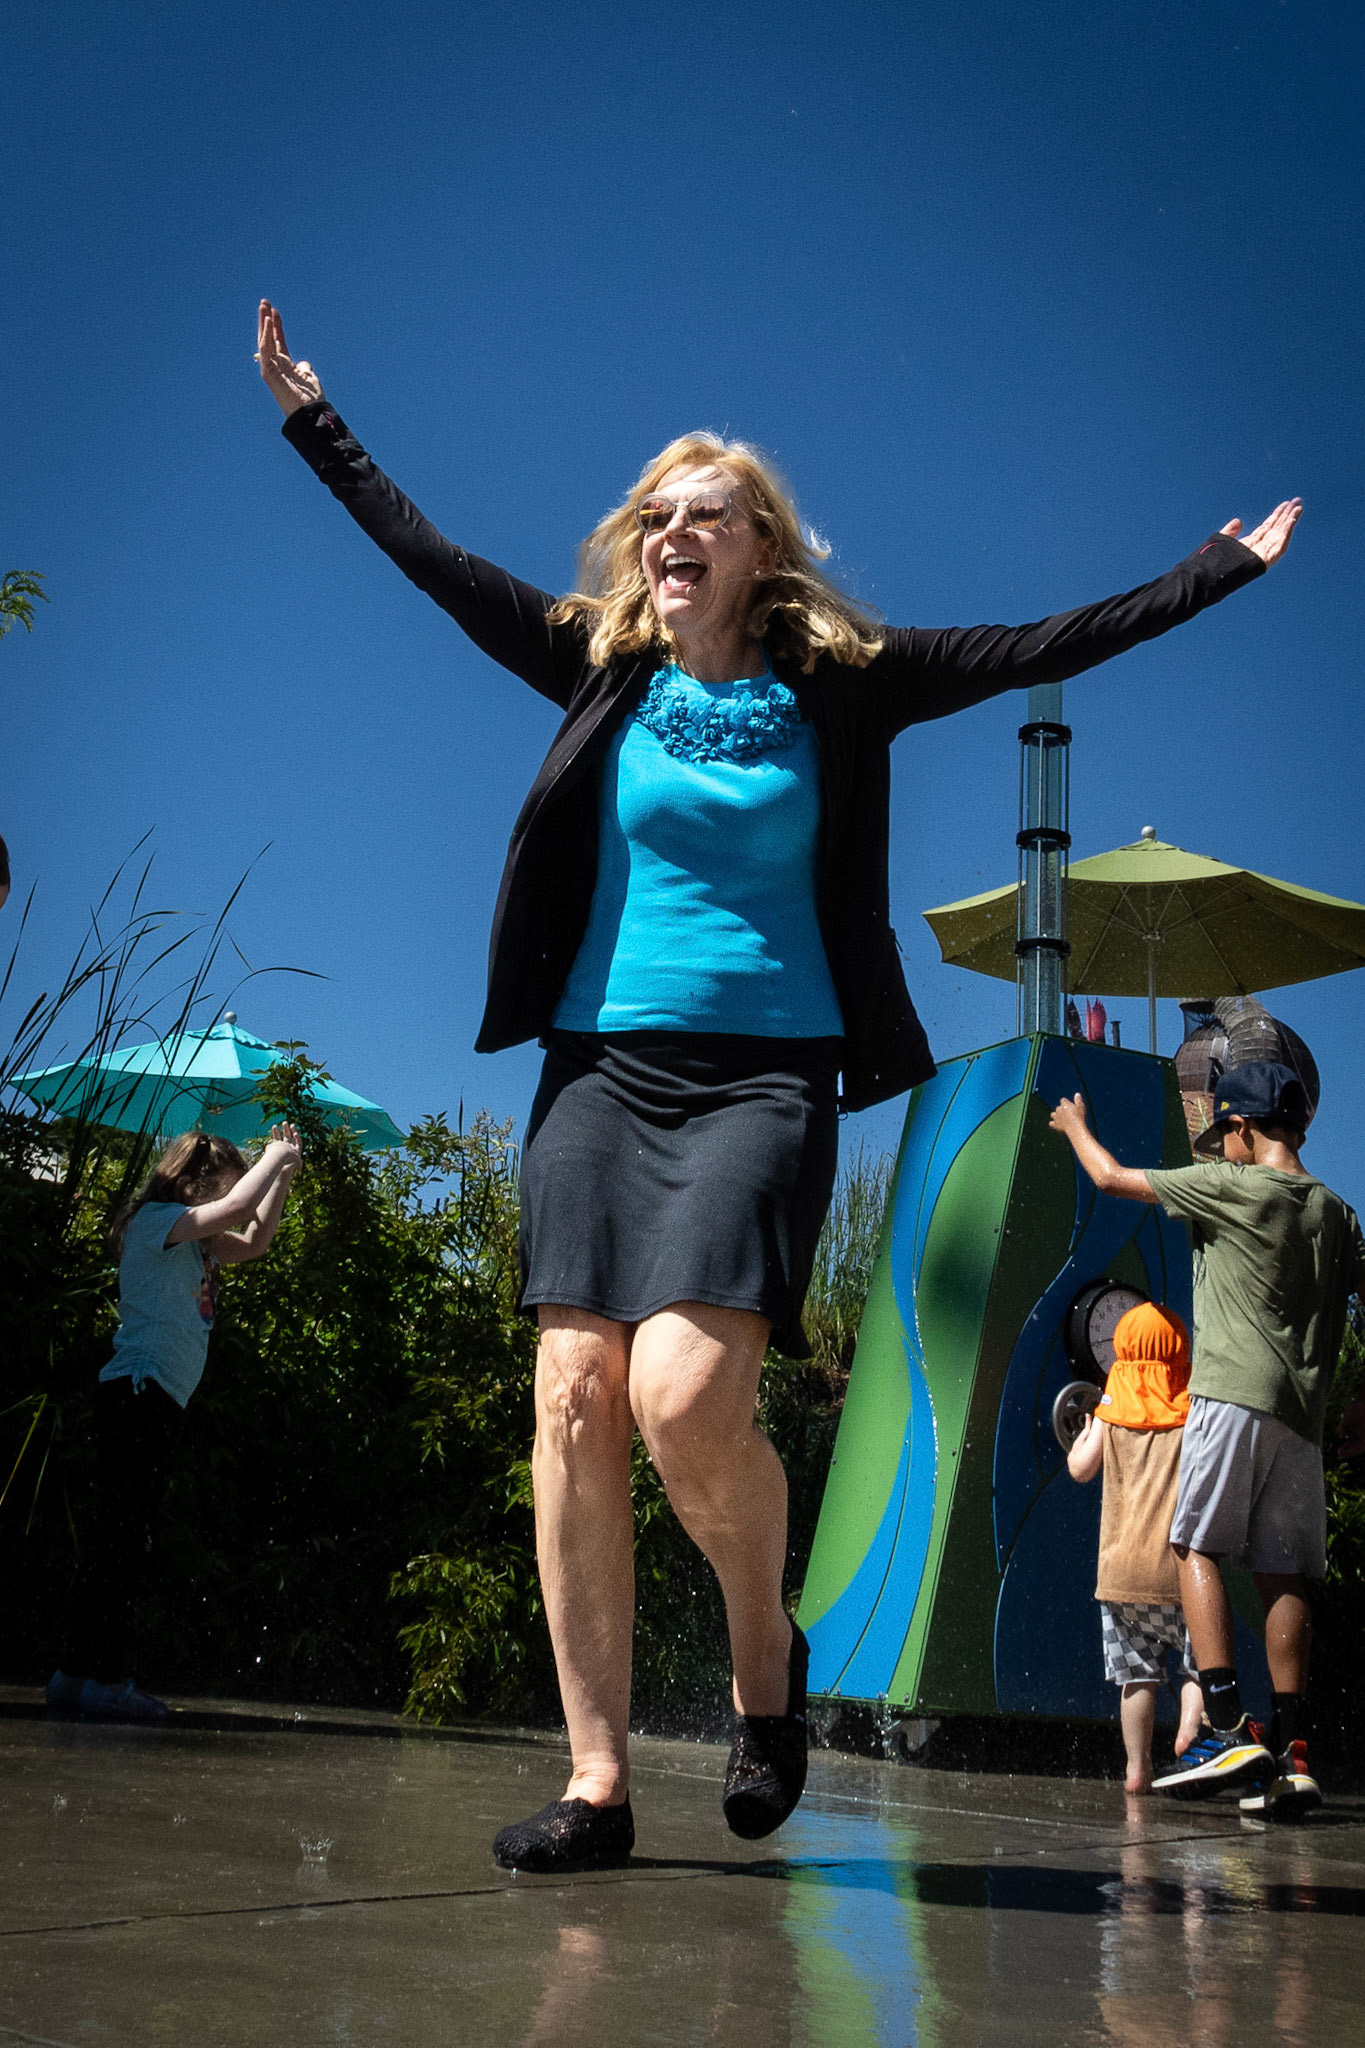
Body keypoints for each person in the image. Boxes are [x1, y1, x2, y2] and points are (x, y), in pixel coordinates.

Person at [257, 296, 1300, 1871]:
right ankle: (597, 1779)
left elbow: (1036, 646)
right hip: (597, 1071)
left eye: (708, 515)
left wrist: (1211, 573)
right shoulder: (595, 665)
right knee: (574, 1397)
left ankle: (768, 1674)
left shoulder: (845, 680)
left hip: (760, 1084)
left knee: (684, 1396)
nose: (676, 533)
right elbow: (432, 559)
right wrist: (317, 424)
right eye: (657, 515)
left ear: (763, 548)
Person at [1051, 1064, 1365, 1814]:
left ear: (1245, 1130)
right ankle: (1292, 1754)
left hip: (1228, 1397)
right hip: (1302, 1414)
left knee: (1193, 1546)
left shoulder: (1234, 1186)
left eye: (1222, 1135)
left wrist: (1074, 1130)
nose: (1220, 1149)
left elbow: (1112, 1180)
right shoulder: (1337, 1212)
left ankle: (1226, 1724)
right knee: (1283, 1575)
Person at [46, 1122, 303, 1720]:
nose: (224, 1204)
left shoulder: (196, 1242)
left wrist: (282, 1176)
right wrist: (274, 1152)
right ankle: (104, 1680)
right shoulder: (157, 1223)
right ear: (190, 1185)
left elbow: (255, 1235)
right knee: (122, 1545)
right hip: (139, 1392)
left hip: (153, 1401)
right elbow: (239, 1206)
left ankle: (74, 1676)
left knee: (119, 1540)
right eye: (217, 1192)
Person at [1065, 1300, 1203, 1793]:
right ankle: (1190, 1728)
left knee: (1136, 1678)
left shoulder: (1109, 1408)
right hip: (1178, 1574)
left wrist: (1082, 1439)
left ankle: (1136, 1770)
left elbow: (1081, 1470)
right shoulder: (1189, 1407)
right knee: (1196, 1665)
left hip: (1120, 1576)